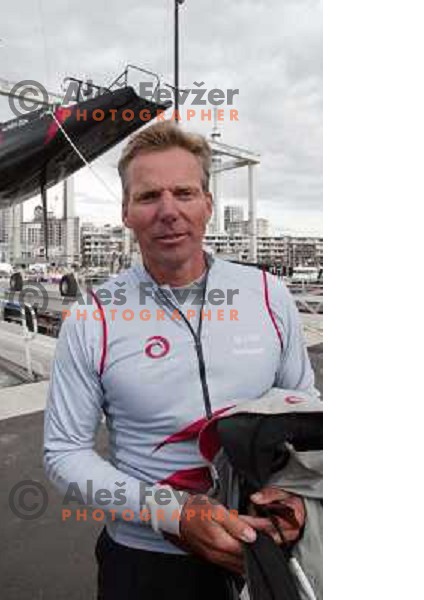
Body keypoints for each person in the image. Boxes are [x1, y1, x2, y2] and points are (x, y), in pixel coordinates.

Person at [44, 122, 319, 599]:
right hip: (145, 560)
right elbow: (64, 452)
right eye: (149, 196)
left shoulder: (268, 295)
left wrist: (298, 498)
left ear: (208, 205)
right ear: (126, 211)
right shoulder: (93, 316)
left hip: (264, 541)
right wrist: (170, 512)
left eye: (185, 192)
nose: (168, 211)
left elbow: (306, 416)